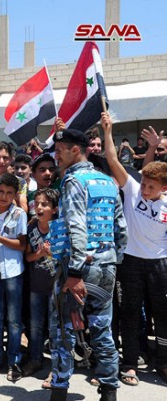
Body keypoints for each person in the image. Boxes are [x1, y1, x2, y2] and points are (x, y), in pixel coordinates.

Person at [49, 127, 127, 401]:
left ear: (76, 151)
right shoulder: (108, 181)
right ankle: (109, 390)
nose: (56, 156)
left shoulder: (73, 181)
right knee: (102, 330)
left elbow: (76, 226)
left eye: (60, 151)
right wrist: (113, 261)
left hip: (77, 270)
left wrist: (74, 272)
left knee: (63, 330)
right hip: (106, 267)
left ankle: (59, 390)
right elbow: (121, 229)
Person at [102, 112, 167, 385]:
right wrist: (108, 131)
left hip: (160, 265)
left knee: (163, 315)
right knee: (129, 313)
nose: (145, 190)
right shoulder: (132, 190)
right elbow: (112, 159)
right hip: (130, 262)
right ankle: (129, 363)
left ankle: (163, 362)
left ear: (164, 187)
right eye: (144, 184)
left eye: (151, 187)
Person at [0, 173, 27, 382]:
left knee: (14, 320)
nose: (4, 196)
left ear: (15, 195)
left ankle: (14, 361)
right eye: (1, 191)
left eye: (9, 193)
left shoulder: (19, 214)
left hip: (12, 271)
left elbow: (22, 245)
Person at [23, 188, 59, 377]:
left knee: (55, 327)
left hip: (56, 287)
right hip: (36, 286)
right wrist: (40, 253)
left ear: (54, 209)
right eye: (36, 204)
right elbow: (28, 257)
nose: (39, 207)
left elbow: (69, 257)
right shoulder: (31, 228)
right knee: (35, 326)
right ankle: (35, 359)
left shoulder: (61, 228)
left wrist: (54, 252)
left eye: (44, 204)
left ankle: (57, 366)